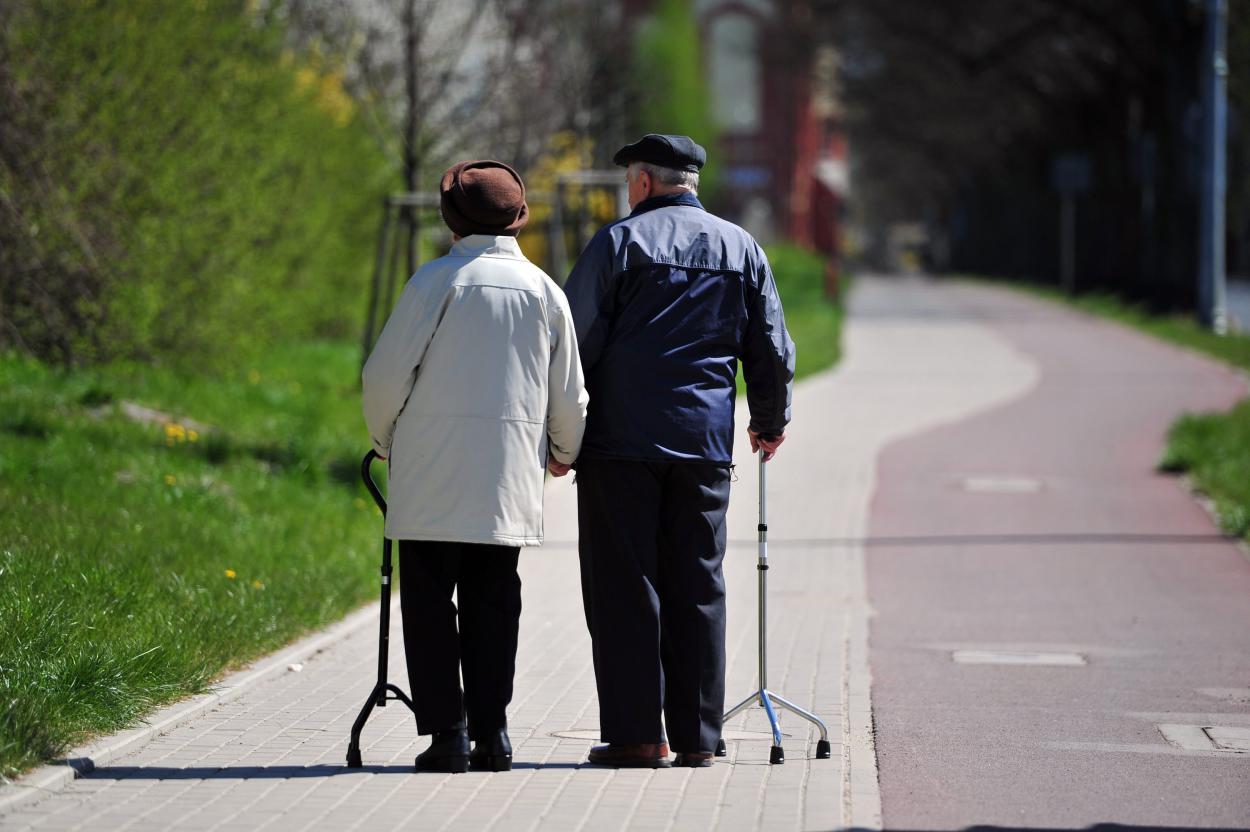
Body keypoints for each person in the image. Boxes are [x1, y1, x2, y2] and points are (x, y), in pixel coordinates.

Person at [563, 134, 795, 768]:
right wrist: (770, 420)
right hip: (703, 445)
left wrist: (558, 435)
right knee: (698, 583)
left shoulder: (617, 244)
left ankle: (639, 736)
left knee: (625, 585)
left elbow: (572, 344)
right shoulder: (742, 247)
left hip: (620, 445)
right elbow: (770, 344)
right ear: (689, 180)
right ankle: (698, 737)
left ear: (641, 183)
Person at [362, 159, 588, 773]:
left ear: (449, 220)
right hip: (507, 474)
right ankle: (494, 733)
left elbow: (384, 377)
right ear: (518, 219)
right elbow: (569, 392)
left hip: (430, 471)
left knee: (430, 601)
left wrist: (384, 441)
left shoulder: (433, 283)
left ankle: (448, 736)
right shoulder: (546, 292)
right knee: (495, 601)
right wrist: (564, 451)